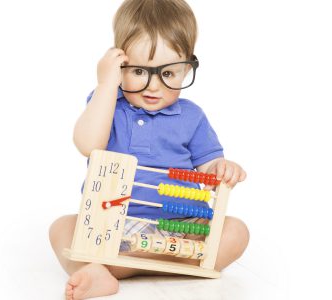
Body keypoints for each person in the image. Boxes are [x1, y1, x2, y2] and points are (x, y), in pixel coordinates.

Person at [50, 1, 249, 299]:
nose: (153, 86)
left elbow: (209, 165)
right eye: (139, 71)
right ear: (120, 64)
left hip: (183, 228)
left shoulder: (192, 116)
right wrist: (106, 85)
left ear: (187, 68)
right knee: (62, 227)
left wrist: (221, 168)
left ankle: (118, 267)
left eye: (168, 74)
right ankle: (148, 266)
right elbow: (87, 144)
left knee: (237, 231)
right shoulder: (108, 104)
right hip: (113, 227)